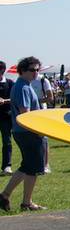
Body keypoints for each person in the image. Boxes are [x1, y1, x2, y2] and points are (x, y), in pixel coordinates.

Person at [0, 56, 47, 212]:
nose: (35, 73)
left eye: (37, 70)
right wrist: (39, 131)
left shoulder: (24, 85)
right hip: (28, 132)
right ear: (22, 70)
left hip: (23, 132)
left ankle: (5, 195)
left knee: (26, 166)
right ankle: (27, 202)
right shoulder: (23, 87)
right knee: (33, 168)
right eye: (32, 70)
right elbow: (25, 114)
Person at [0, 61, 13, 174]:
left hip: (5, 117)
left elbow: (14, 99)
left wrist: (5, 101)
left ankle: (6, 166)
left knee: (7, 142)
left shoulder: (9, 83)